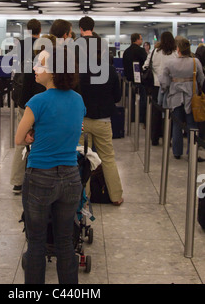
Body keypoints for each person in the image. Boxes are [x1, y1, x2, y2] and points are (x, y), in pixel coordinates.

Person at [15, 46, 86, 284]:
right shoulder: (78, 100)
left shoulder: (37, 101)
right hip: (70, 177)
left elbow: (18, 138)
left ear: (55, 71)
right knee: (65, 241)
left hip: (40, 178)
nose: (35, 68)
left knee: (36, 243)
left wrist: (29, 135)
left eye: (41, 65)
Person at [77, 16, 123, 205]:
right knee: (108, 158)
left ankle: (84, 198)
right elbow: (118, 96)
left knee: (81, 158)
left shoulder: (77, 69)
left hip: (81, 120)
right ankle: (116, 196)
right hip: (104, 120)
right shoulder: (110, 70)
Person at [10, 19, 45, 194]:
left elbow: (15, 69)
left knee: (22, 138)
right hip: (40, 95)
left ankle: (17, 181)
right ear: (40, 30)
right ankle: (39, 178)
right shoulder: (43, 45)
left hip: (23, 95)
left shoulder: (20, 45)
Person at [159, 37, 205, 160]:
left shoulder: (170, 63)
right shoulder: (195, 62)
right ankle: (192, 152)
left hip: (175, 97)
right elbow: (201, 79)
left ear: (178, 49)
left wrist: (165, 90)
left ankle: (177, 152)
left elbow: (164, 82)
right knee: (192, 125)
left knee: (177, 125)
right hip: (192, 98)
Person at [143, 31, 177, 146]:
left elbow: (145, 66)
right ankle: (167, 138)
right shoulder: (175, 53)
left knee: (156, 112)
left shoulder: (154, 52)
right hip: (171, 87)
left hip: (156, 85)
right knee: (169, 113)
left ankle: (155, 138)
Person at [123, 32, 147, 124]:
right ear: (137, 39)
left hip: (128, 80)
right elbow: (145, 64)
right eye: (141, 39)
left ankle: (132, 116)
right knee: (142, 100)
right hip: (139, 80)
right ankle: (140, 117)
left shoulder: (126, 51)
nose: (141, 40)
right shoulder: (141, 51)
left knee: (131, 100)